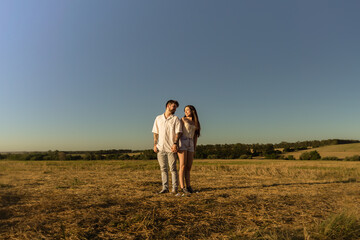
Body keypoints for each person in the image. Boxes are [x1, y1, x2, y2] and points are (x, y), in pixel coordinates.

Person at [152, 100, 182, 194]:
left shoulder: (175, 119)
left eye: (176, 107)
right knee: (163, 169)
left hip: (171, 148)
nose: (175, 109)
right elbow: (155, 132)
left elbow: (178, 132)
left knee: (173, 169)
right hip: (160, 148)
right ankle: (165, 188)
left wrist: (175, 144)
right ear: (168, 106)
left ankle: (174, 188)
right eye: (174, 106)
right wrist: (155, 144)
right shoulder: (158, 118)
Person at [177, 105, 201, 194]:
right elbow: (178, 132)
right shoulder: (182, 120)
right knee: (182, 165)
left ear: (193, 110)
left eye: (188, 110)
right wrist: (175, 143)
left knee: (189, 166)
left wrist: (194, 148)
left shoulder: (196, 122)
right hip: (182, 141)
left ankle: (189, 186)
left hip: (191, 143)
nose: (186, 112)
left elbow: (195, 136)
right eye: (185, 110)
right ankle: (182, 187)